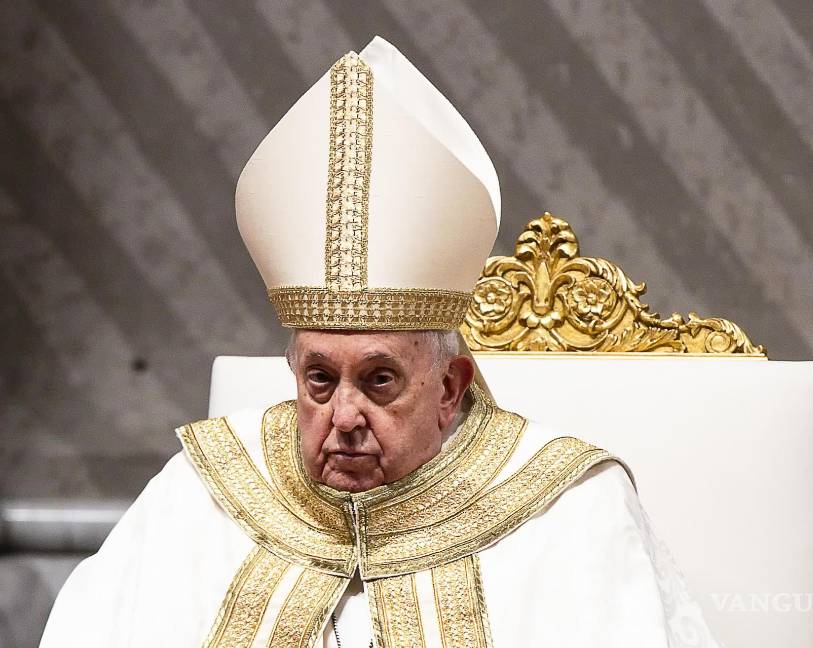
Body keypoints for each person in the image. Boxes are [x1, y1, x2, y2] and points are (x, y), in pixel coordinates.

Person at [40, 36, 721, 647]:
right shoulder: (201, 493)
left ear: (450, 387)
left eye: (379, 380)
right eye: (318, 379)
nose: (343, 417)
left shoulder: (570, 511)